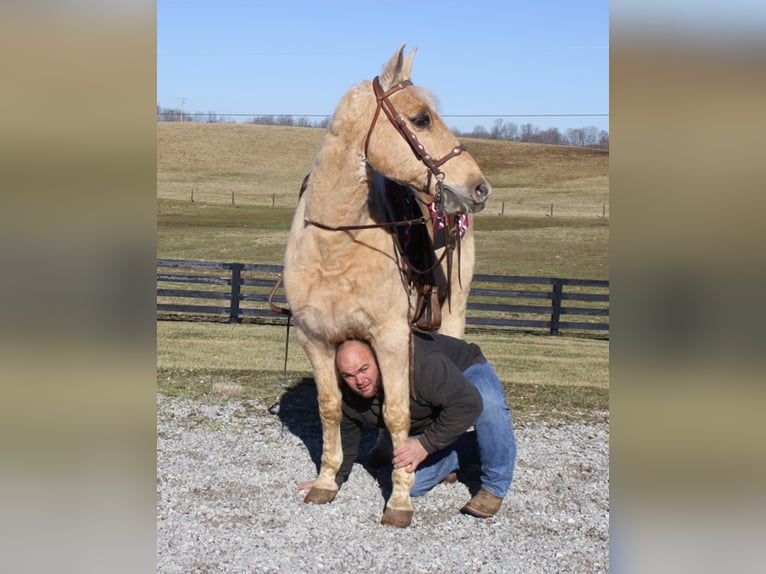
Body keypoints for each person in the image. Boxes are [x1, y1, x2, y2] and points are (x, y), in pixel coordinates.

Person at [298, 331, 517, 518]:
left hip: (464, 368)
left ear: (379, 360)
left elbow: (468, 404)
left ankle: (494, 486)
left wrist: (424, 445)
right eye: (349, 375)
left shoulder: (422, 367)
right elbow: (346, 434)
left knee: (488, 403)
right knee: (413, 484)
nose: (359, 381)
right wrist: (332, 478)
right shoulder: (347, 394)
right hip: (431, 408)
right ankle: (465, 448)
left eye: (364, 369)